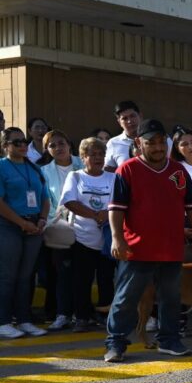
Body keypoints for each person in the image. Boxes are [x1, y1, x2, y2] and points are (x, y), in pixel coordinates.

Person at [104, 119, 192, 361]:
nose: (158, 147)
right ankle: (116, 343)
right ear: (139, 143)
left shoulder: (178, 171)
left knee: (171, 298)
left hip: (171, 247)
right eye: (151, 143)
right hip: (136, 248)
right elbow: (116, 209)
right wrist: (117, 238)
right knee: (126, 298)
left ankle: (169, 340)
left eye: (162, 142)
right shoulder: (127, 170)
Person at [60, 137, 116, 332]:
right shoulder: (75, 176)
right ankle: (82, 317)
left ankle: (105, 316)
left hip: (107, 239)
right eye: (93, 154)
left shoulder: (113, 178)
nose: (98, 158)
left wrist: (106, 215)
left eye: (101, 154)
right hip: (81, 238)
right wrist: (95, 214)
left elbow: (119, 203)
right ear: (83, 157)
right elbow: (69, 201)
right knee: (81, 280)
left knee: (106, 279)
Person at [0, 127, 50, 338]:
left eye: (24, 141)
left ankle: (24, 320)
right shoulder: (2, 167)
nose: (23, 145)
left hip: (34, 225)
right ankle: (3, 321)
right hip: (9, 226)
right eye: (16, 142)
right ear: (5, 146)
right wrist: (21, 222)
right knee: (7, 275)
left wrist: (42, 219)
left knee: (25, 276)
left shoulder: (34, 168)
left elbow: (45, 198)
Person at [40, 129, 84, 330]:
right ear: (47, 150)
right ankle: (63, 313)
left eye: (61, 143)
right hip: (58, 228)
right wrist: (54, 221)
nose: (58, 148)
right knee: (62, 273)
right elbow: (45, 200)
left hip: (85, 226)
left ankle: (82, 314)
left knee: (82, 272)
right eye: (52, 145)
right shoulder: (44, 171)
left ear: (69, 144)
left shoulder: (83, 163)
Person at [105, 101, 171, 172]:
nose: (129, 121)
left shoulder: (162, 139)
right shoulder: (113, 143)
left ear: (140, 116)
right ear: (119, 122)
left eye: (132, 116)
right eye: (124, 118)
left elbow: (172, 166)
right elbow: (108, 171)